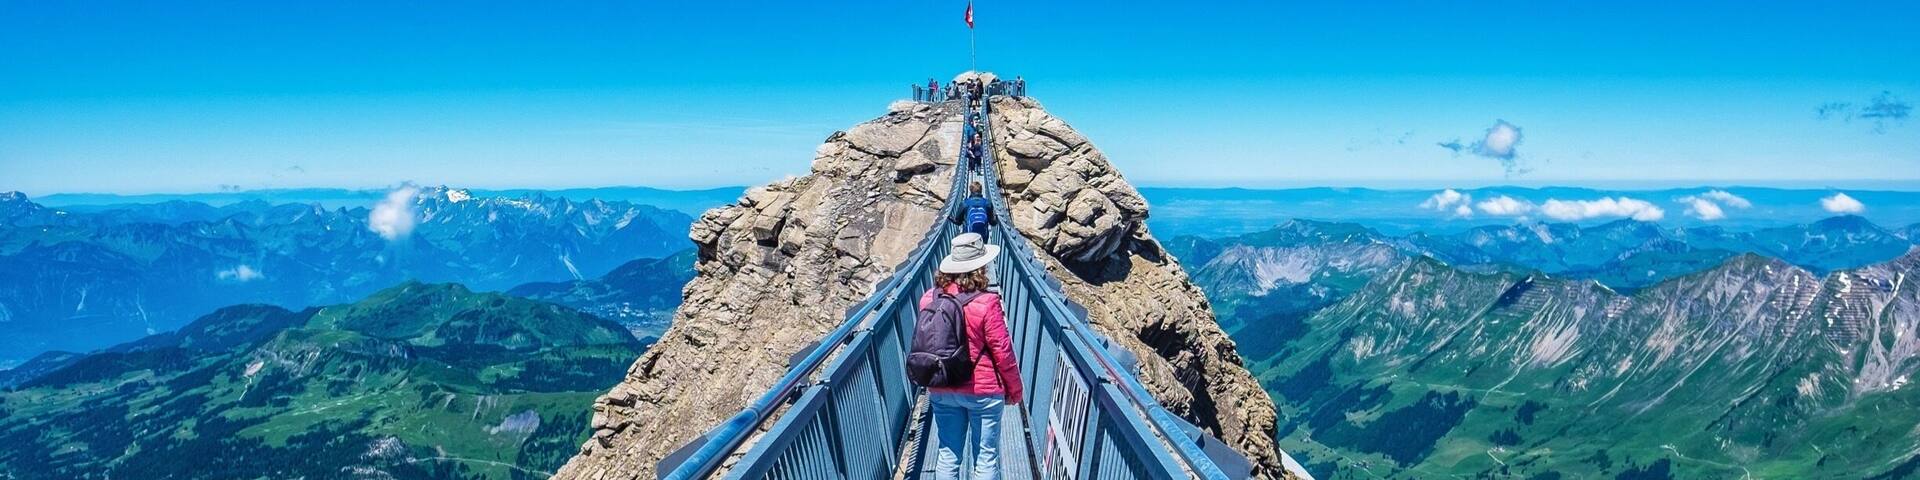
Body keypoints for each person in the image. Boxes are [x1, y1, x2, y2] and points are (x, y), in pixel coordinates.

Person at [923, 232, 1021, 480]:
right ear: (981, 267)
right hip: (983, 391)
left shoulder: (928, 298)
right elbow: (1003, 351)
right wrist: (1014, 389)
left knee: (948, 453)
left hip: (942, 386)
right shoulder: (988, 302)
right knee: (986, 458)